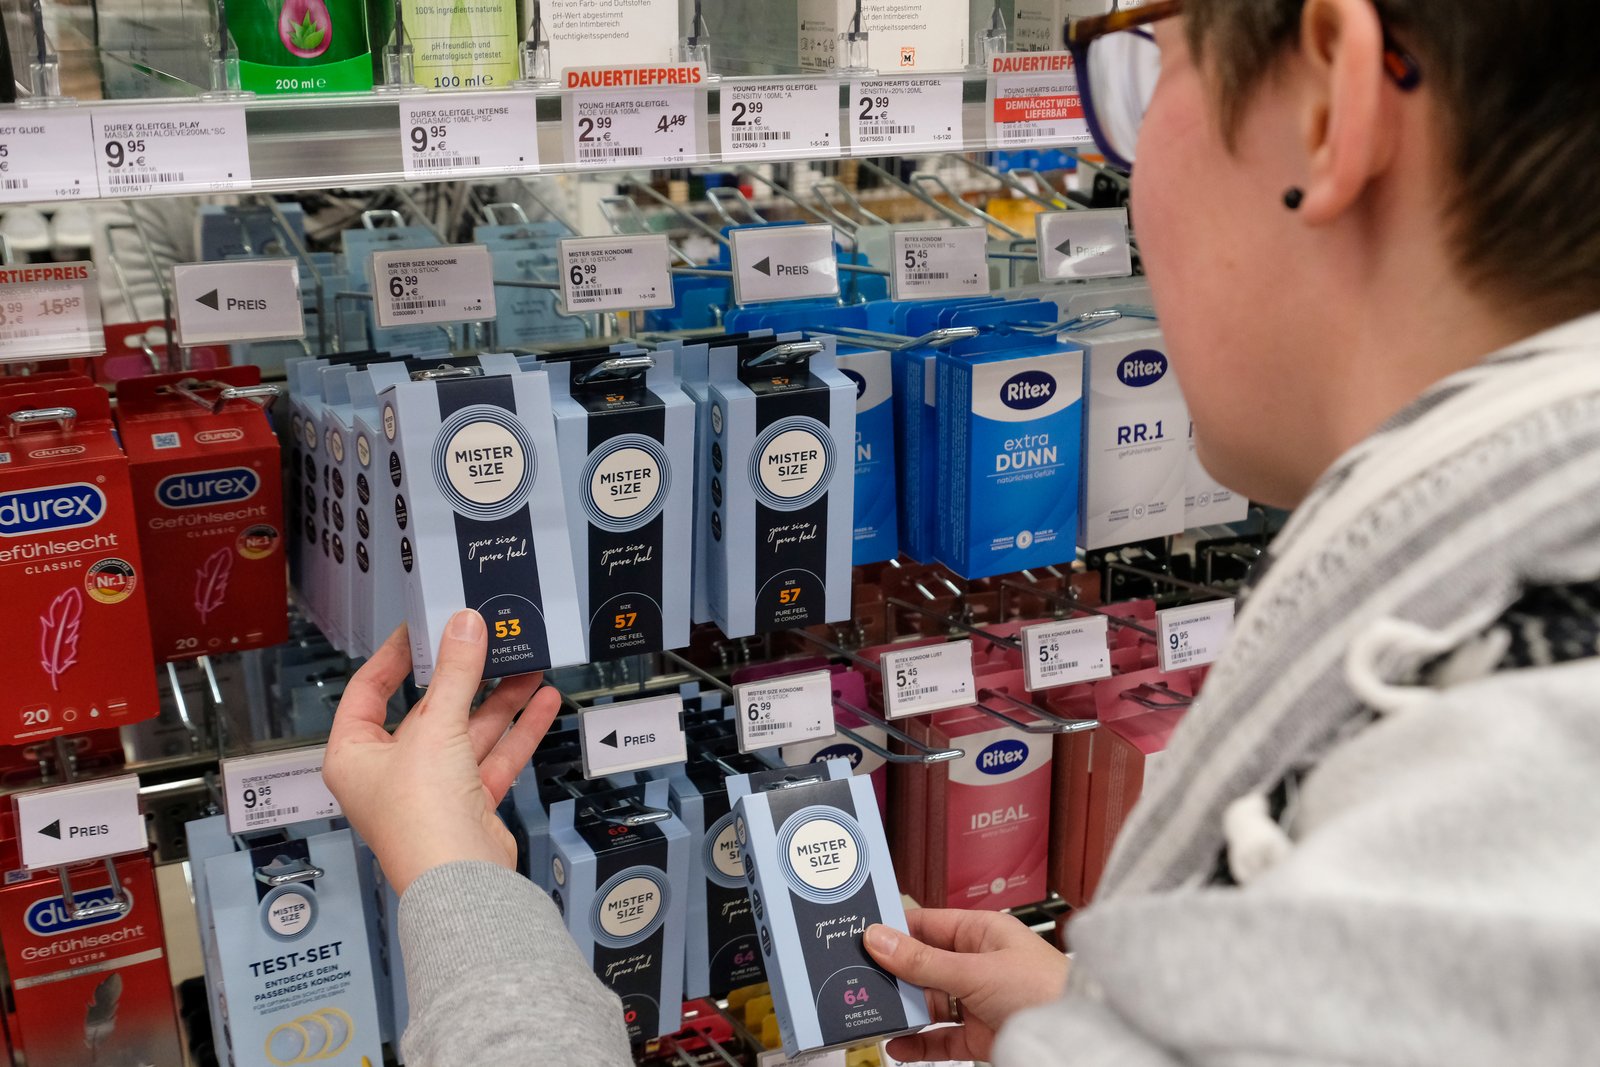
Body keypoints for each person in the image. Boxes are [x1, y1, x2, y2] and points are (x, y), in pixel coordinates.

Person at [324, 0, 1600, 1062]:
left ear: (1327, 105)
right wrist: (1109, 1029)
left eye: (1148, 64)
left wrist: (453, 881)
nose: (1124, 163)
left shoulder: (1485, 797)